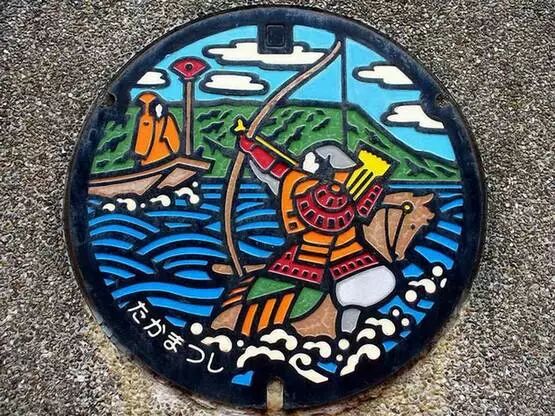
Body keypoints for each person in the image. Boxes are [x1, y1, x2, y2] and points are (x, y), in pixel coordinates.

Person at [212, 119, 397, 337]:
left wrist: (250, 147)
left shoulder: (302, 186)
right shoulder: (355, 186)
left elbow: (273, 170)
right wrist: (251, 147)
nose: (305, 161)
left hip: (307, 261)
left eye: (312, 159)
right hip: (352, 262)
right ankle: (348, 336)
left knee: (270, 294)